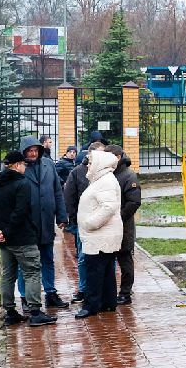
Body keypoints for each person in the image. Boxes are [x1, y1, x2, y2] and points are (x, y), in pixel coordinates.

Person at [0, 151, 56, 327]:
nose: (25, 167)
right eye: (23, 164)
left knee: (8, 275)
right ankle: (35, 312)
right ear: (16, 165)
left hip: (3, 241)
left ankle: (10, 312)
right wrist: (7, 232)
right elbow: (20, 212)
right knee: (32, 272)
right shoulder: (22, 184)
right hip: (23, 238)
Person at [18, 136, 70, 310]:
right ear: (23, 152)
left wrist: (61, 216)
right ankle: (25, 298)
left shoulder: (48, 165)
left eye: (35, 150)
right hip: (27, 224)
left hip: (46, 222)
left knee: (48, 259)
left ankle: (51, 293)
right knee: (26, 263)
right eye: (29, 151)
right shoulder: (19, 168)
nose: (33, 154)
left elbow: (57, 191)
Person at [75, 149, 123, 318]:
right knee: (106, 270)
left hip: (100, 235)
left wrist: (90, 223)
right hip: (101, 235)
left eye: (90, 162)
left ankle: (91, 305)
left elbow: (108, 207)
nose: (88, 165)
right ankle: (108, 302)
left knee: (94, 271)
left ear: (99, 163)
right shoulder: (102, 179)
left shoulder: (105, 181)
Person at [63, 137, 107, 305]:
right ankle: (83, 289)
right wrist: (75, 218)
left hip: (104, 223)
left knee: (106, 257)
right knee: (83, 257)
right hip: (84, 223)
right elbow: (70, 197)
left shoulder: (108, 172)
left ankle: (103, 289)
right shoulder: (78, 172)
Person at [109, 146, 143, 305]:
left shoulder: (129, 176)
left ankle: (125, 292)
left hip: (124, 225)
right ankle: (109, 291)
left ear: (117, 156)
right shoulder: (108, 173)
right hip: (108, 225)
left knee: (125, 259)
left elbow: (134, 202)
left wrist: (118, 217)